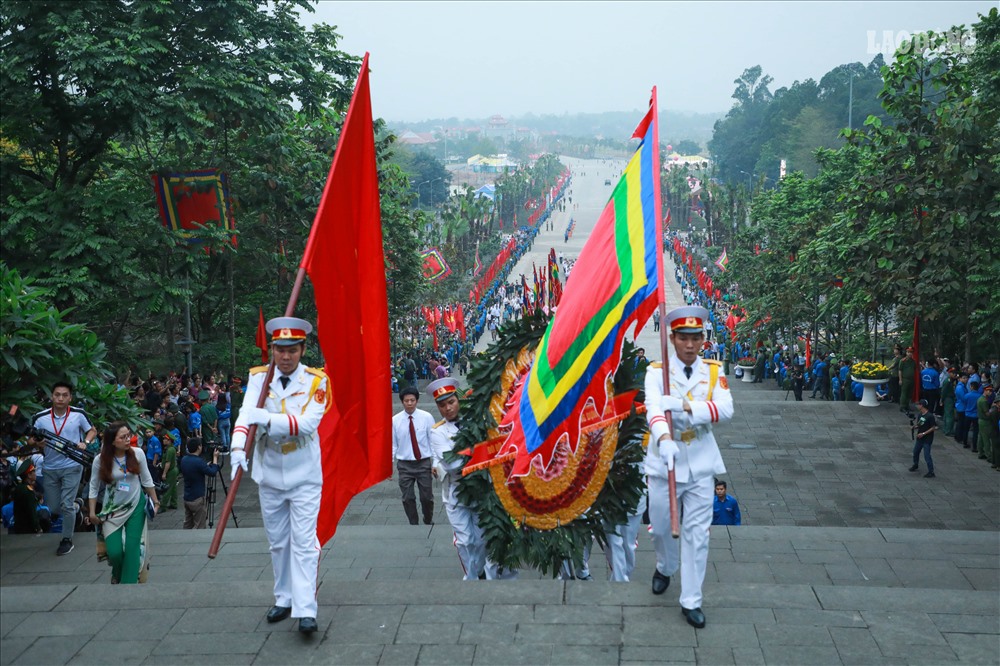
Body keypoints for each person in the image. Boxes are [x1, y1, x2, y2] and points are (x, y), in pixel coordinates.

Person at [229, 316, 331, 635]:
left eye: (292, 350)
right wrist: (236, 448)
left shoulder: (317, 382)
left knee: (303, 542)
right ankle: (284, 598)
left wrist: (268, 418)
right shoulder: (259, 379)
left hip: (303, 472)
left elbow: (307, 425)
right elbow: (246, 415)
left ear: (302, 350)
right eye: (279, 350)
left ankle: (305, 609)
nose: (285, 357)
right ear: (271, 350)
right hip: (270, 471)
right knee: (277, 542)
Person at [644, 305, 734, 629]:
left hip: (699, 460)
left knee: (697, 535)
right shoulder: (656, 372)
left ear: (702, 340)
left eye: (696, 338)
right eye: (684, 338)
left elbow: (725, 409)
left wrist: (685, 405)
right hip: (664, 460)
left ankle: (691, 599)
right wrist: (664, 437)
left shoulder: (712, 371)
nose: (690, 345)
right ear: (673, 338)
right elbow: (653, 408)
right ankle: (665, 566)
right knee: (661, 524)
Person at [428, 377, 487, 580]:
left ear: (458, 400)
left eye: (451, 402)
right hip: (455, 494)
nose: (448, 408)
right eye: (442, 405)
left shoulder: (475, 422)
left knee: (480, 540)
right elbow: (452, 466)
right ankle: (471, 578)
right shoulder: (437, 432)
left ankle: (479, 572)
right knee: (465, 540)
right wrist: (478, 451)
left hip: (480, 490)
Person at [87, 422, 159, 584]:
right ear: (112, 441)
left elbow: (147, 480)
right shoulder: (100, 460)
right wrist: (92, 512)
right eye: (123, 437)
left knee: (132, 548)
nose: (128, 439)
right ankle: (117, 572)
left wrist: (155, 501)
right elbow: (93, 486)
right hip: (111, 510)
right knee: (115, 552)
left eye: (128, 435)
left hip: (136, 505)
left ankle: (129, 586)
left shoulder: (138, 453)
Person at [32, 381, 98, 556]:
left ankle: (66, 540)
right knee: (53, 508)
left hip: (72, 465)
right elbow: (31, 439)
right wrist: (37, 442)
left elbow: (92, 430)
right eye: (57, 394)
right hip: (50, 467)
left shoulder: (78, 414)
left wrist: (86, 442)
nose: (60, 398)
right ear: (51, 396)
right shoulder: (41, 417)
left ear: (70, 397)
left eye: (64, 395)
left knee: (65, 505)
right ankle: (77, 506)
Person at [390, 387, 435, 525]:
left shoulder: (427, 417)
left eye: (412, 400)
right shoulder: (395, 420)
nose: (410, 403)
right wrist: (389, 465)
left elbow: (433, 440)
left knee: (426, 497)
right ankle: (413, 523)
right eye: (406, 401)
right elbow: (393, 444)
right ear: (402, 402)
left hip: (423, 463)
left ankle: (428, 519)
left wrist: (436, 463)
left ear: (417, 401)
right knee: (407, 498)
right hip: (404, 465)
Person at [179, 438, 220, 529]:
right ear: (198, 447)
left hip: (187, 497)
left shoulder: (184, 459)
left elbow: (196, 468)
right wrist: (215, 458)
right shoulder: (199, 462)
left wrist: (205, 465)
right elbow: (212, 472)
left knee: (188, 524)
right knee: (200, 524)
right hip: (197, 498)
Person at [12, 460, 50, 534]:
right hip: (28, 528)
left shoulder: (19, 487)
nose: (35, 474)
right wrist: (38, 528)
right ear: (29, 475)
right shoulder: (28, 491)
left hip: (18, 526)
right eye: (34, 472)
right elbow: (32, 511)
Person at [909, 399, 937, 478]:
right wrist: (915, 427)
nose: (917, 406)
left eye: (918, 404)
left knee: (927, 455)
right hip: (920, 438)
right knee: (915, 452)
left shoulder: (930, 416)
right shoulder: (921, 414)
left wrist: (923, 433)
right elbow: (920, 423)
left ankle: (931, 471)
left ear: (922, 405)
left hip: (927, 439)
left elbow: (933, 427)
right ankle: (915, 464)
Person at [159, 426, 179, 510]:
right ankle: (174, 503)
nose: (163, 441)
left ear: (169, 440)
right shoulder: (171, 449)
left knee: (167, 489)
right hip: (174, 470)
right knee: (173, 487)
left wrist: (164, 473)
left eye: (165, 439)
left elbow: (168, 463)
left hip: (170, 471)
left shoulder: (170, 450)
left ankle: (163, 506)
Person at [899, 347, 918, 412]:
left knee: (909, 393)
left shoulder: (913, 361)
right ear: (906, 353)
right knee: (904, 393)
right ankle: (902, 406)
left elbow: (915, 369)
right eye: (908, 352)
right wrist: (900, 379)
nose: (910, 354)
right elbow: (900, 370)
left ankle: (907, 405)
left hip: (911, 379)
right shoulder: (903, 361)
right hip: (905, 379)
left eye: (911, 352)